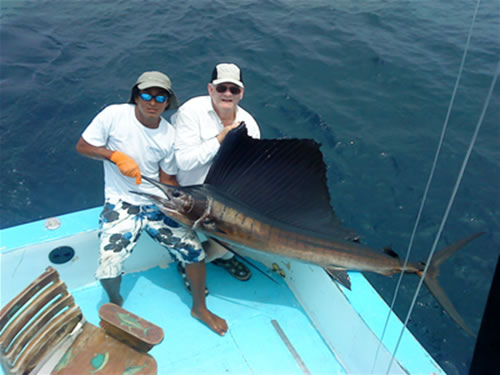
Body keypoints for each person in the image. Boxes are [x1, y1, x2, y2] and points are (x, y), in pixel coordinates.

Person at [75, 71, 228, 336]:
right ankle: (115, 304)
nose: (152, 102)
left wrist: (184, 205)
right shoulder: (113, 115)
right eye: (146, 95)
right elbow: (83, 146)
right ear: (136, 95)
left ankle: (199, 307)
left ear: (167, 103)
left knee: (194, 252)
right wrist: (114, 156)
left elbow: (167, 178)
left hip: (157, 202)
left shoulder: (168, 135)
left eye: (160, 97)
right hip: (122, 201)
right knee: (109, 264)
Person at [172, 63, 261, 289]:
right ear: (210, 89)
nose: (228, 94)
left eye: (234, 89)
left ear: (242, 93)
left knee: (237, 239)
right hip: (188, 195)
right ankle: (190, 263)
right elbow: (183, 161)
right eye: (222, 88)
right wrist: (220, 139)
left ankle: (210, 258)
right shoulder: (191, 111)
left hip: (223, 199)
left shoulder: (250, 125)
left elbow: (248, 172)